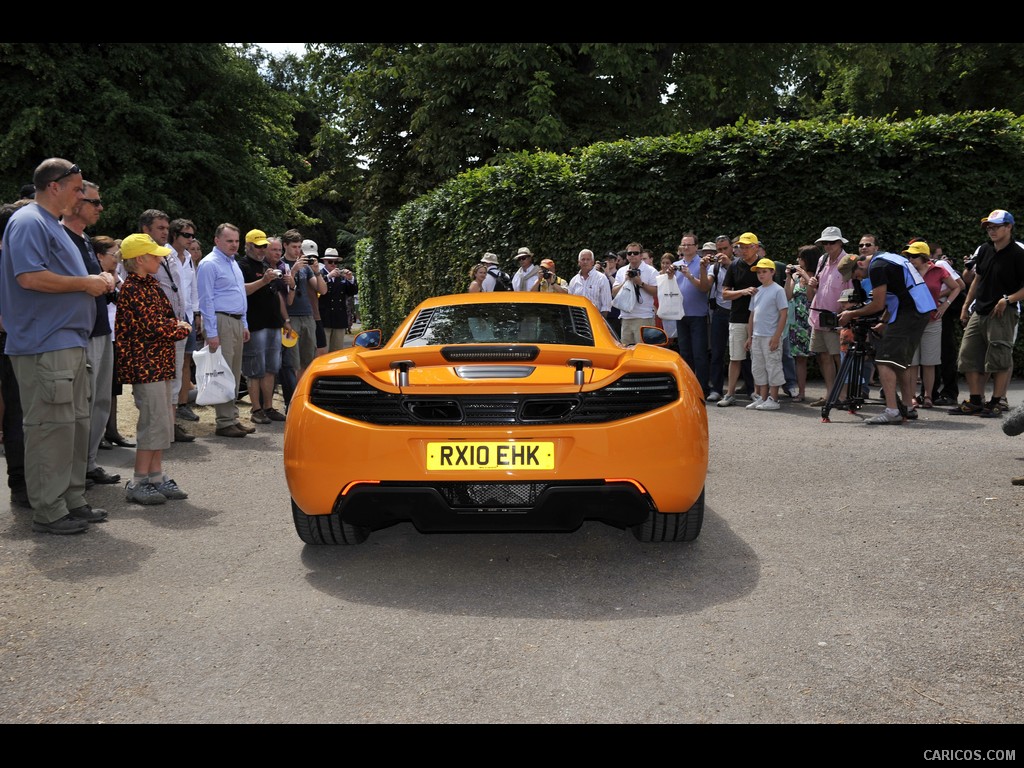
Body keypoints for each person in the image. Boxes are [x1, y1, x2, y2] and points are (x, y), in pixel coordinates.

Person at [0, 158, 114, 534]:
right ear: (55, 186)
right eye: (78, 188)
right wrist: (85, 283)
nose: (82, 196)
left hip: (66, 343)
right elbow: (30, 277)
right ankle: (49, 510)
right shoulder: (30, 221)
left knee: (73, 427)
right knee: (51, 429)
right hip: (44, 345)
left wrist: (90, 280)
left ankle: (71, 500)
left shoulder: (50, 226)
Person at [115, 234, 193, 504]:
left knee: (161, 422)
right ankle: (138, 481)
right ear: (140, 259)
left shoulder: (149, 284)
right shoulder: (133, 287)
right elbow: (153, 325)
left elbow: (164, 318)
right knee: (151, 422)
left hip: (158, 362)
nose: (161, 258)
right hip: (145, 365)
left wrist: (175, 325)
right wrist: (179, 328)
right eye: (155, 255)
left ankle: (156, 476)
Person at [61, 180, 120, 487]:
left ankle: (88, 463)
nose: (100, 207)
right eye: (94, 202)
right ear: (76, 202)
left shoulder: (84, 239)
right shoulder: (60, 237)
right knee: (80, 405)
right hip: (80, 334)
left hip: (100, 329)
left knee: (99, 401)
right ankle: (73, 473)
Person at [838, 243, 936, 424]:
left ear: (859, 265)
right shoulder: (886, 258)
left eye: (854, 276)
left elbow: (877, 304)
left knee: (884, 360)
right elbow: (898, 293)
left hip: (910, 311)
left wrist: (851, 313)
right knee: (899, 362)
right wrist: (884, 320)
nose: (857, 280)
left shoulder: (877, 267)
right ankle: (907, 407)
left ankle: (892, 411)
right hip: (918, 309)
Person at [950, 210, 1024, 417]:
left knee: (999, 358)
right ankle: (975, 401)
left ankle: (996, 403)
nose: (991, 231)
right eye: (988, 228)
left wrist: (1007, 299)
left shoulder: (1018, 254)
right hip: (979, 310)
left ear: (1009, 227)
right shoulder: (984, 249)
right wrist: (966, 305)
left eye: (996, 227)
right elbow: (976, 279)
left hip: (1003, 312)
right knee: (968, 355)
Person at [141, 209, 195, 444]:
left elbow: (183, 290)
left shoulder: (170, 256)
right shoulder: (141, 256)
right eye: (160, 228)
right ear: (146, 230)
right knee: (158, 383)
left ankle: (170, 427)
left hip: (177, 325)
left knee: (173, 378)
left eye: (166, 228)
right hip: (158, 330)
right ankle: (160, 430)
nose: (165, 232)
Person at [197, 223, 255, 438]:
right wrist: (211, 333)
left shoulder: (232, 264)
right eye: (229, 240)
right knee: (222, 371)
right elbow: (206, 301)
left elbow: (239, 295)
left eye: (236, 241)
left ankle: (231, 418)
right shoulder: (209, 264)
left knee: (233, 371)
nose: (234, 245)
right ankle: (224, 422)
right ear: (217, 240)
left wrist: (245, 324)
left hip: (236, 321)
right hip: (221, 321)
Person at [238, 228, 288, 424]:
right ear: (248, 246)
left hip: (274, 323)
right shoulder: (241, 265)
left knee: (271, 369)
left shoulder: (267, 264)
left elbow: (277, 295)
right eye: (258, 246)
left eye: (263, 246)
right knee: (254, 369)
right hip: (255, 324)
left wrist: (285, 320)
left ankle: (268, 407)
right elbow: (243, 291)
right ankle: (256, 409)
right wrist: (264, 280)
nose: (261, 250)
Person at [905, 240, 961, 411]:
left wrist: (945, 305)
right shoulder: (906, 271)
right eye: (908, 255)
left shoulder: (939, 270)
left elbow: (957, 287)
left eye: (914, 256)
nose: (910, 259)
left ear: (923, 257)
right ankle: (912, 396)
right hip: (912, 320)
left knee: (929, 362)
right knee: (912, 362)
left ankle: (928, 396)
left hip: (932, 320)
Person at [807, 226, 852, 407]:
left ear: (840, 242)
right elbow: (820, 286)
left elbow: (850, 289)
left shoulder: (847, 261)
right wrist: (813, 283)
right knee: (823, 355)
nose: (828, 245)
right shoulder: (822, 259)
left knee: (837, 357)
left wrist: (845, 313)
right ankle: (830, 394)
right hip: (818, 315)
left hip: (836, 317)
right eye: (825, 242)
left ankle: (842, 395)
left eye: (832, 242)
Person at [717, 232, 762, 407]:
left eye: (746, 247)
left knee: (759, 358)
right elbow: (725, 294)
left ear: (756, 247)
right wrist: (742, 292)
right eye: (740, 247)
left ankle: (758, 394)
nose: (743, 250)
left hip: (760, 319)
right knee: (735, 358)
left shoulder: (764, 265)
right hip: (737, 317)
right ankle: (730, 394)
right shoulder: (734, 265)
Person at [167, 219, 201, 424]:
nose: (190, 239)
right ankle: (171, 407)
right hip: (173, 316)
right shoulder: (165, 255)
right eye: (186, 235)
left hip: (188, 314)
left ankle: (182, 404)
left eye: (192, 235)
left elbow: (193, 287)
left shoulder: (188, 257)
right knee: (173, 362)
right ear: (175, 235)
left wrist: (197, 313)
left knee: (187, 360)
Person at [744, 258, 788, 410]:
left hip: (770, 336)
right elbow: (752, 315)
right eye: (759, 272)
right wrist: (749, 337)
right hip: (757, 336)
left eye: (764, 272)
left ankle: (774, 399)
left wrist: (777, 336)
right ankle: (762, 398)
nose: (761, 275)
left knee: (773, 366)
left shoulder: (778, 290)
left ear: (772, 272)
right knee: (758, 367)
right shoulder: (757, 291)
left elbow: (783, 314)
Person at [673, 233, 711, 396]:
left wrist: (689, 276)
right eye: (684, 245)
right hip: (680, 314)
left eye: (689, 245)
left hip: (698, 314)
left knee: (699, 353)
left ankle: (702, 388)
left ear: (696, 247)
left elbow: (704, 287)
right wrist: (668, 275)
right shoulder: (675, 265)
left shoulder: (703, 264)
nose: (686, 247)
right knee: (685, 353)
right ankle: (687, 387)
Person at [784, 245, 819, 403]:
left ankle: (834, 391)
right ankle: (802, 392)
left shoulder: (816, 276)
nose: (798, 260)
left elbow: (811, 296)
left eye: (800, 257)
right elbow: (788, 295)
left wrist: (804, 274)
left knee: (824, 357)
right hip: (797, 323)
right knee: (799, 358)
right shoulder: (797, 277)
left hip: (812, 322)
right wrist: (788, 277)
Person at [611, 242, 659, 345]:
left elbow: (656, 292)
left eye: (635, 253)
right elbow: (614, 293)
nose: (632, 255)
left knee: (644, 352)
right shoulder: (622, 271)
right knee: (627, 351)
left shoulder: (651, 271)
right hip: (626, 317)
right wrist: (625, 281)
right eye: (629, 253)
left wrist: (640, 283)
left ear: (641, 255)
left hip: (644, 317)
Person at [706, 237, 733, 402]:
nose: (722, 253)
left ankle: (751, 389)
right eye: (719, 250)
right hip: (720, 312)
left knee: (741, 353)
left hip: (738, 312)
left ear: (731, 248)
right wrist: (703, 269)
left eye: (725, 249)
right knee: (717, 352)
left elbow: (743, 278)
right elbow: (706, 286)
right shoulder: (713, 268)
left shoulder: (738, 264)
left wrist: (729, 264)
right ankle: (716, 389)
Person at [318, 248, 353, 353]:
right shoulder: (319, 274)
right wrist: (328, 277)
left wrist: (350, 279)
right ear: (324, 261)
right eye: (330, 262)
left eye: (336, 262)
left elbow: (351, 292)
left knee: (337, 352)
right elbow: (317, 290)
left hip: (339, 318)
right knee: (323, 351)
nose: (333, 264)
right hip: (324, 318)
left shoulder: (341, 276)